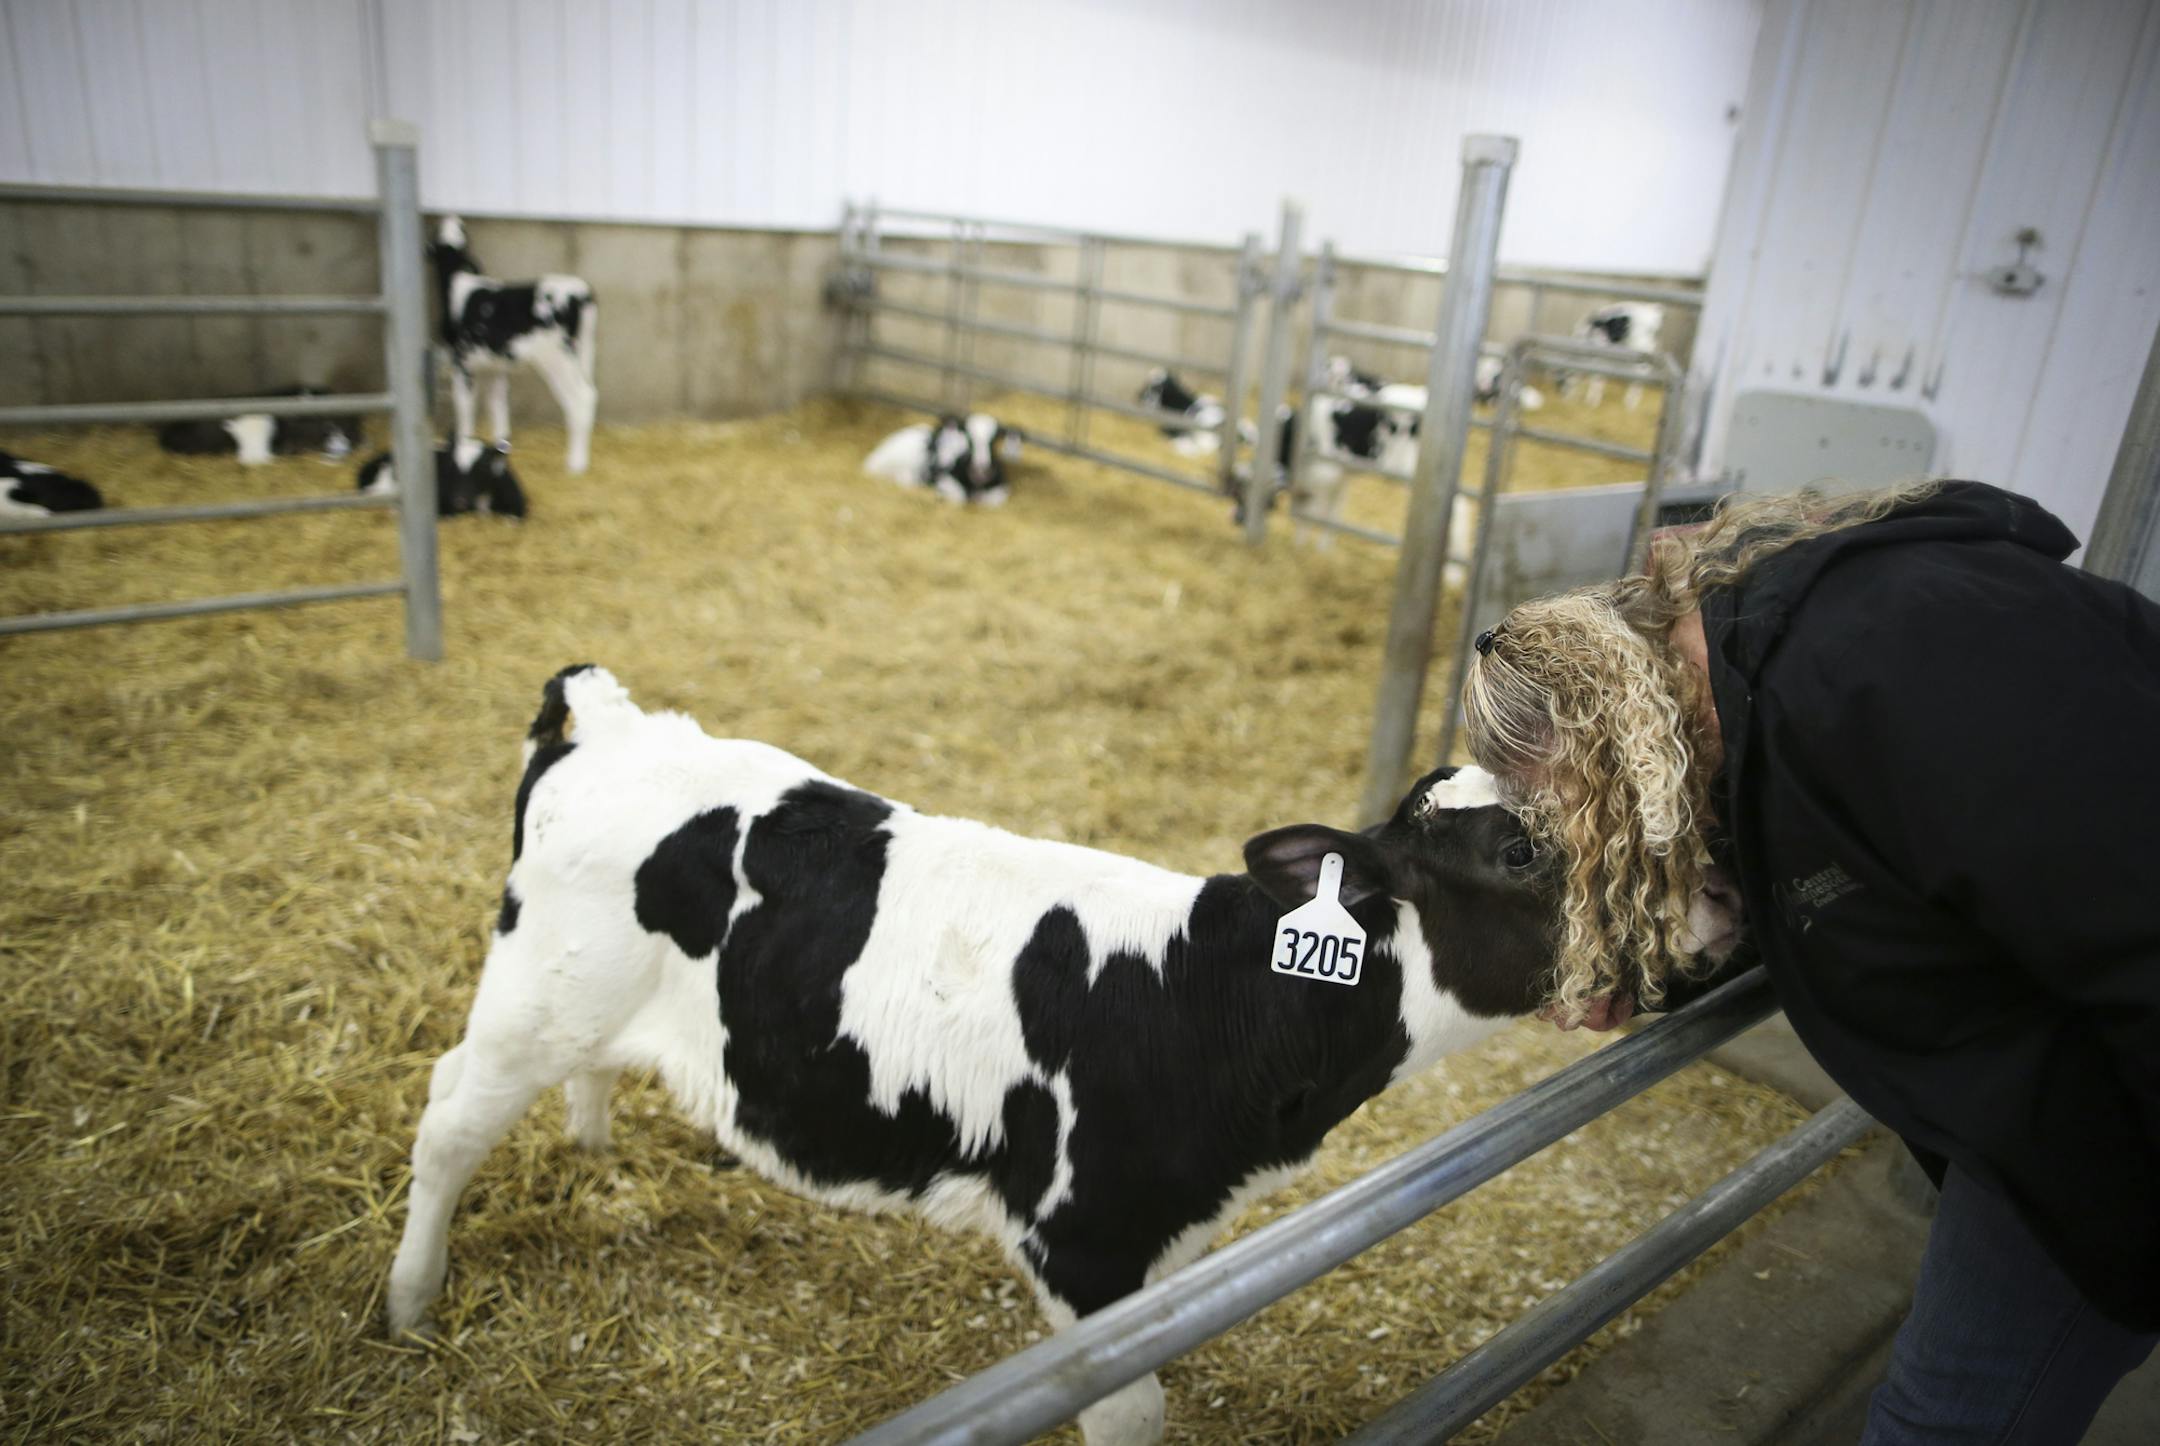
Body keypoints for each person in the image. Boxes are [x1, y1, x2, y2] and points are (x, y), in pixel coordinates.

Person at [1457, 479, 2159, 1442]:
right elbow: (1812, 885)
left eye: (1581, 804)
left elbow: (2126, 913)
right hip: (2046, 1098)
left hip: (2101, 1096)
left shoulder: (1893, 659)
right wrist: (1651, 966)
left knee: (1944, 1422)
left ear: (1618, 737)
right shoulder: (1752, 714)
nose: (1598, 838)